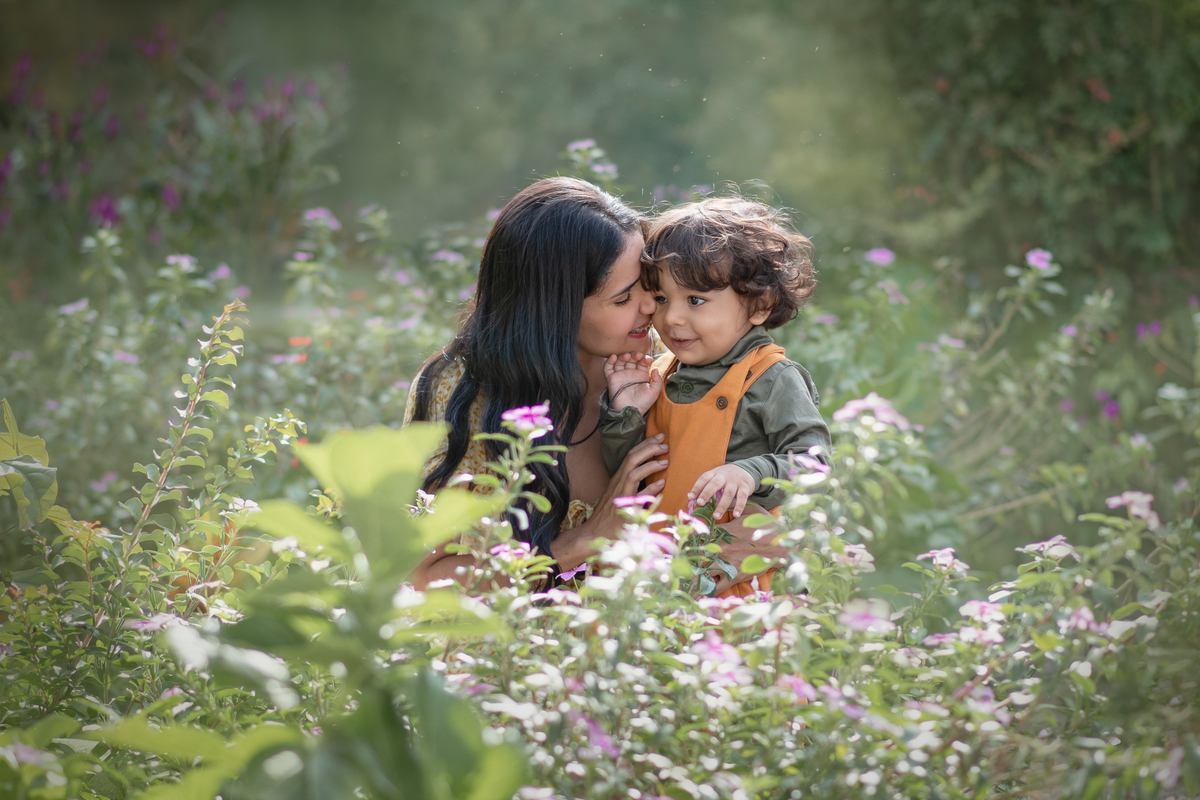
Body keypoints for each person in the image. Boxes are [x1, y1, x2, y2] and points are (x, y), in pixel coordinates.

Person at [404, 177, 791, 592]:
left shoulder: (665, 361)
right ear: (553, 309)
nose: (651, 308)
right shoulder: (460, 392)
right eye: (623, 299)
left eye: (651, 286)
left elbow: (779, 472)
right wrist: (586, 540)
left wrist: (765, 544)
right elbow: (424, 576)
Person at [598, 196, 831, 595]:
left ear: (760, 304)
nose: (671, 318)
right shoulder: (660, 373)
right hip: (662, 577)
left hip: (743, 581)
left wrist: (749, 471)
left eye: (695, 301)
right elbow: (629, 478)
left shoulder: (771, 378)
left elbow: (815, 464)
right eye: (661, 298)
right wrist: (626, 417)